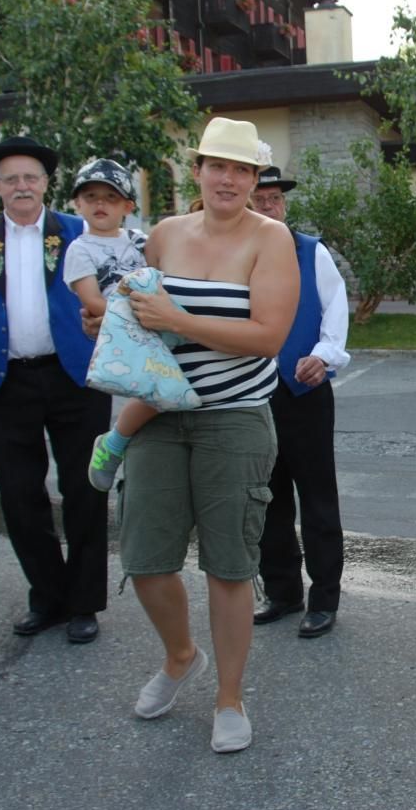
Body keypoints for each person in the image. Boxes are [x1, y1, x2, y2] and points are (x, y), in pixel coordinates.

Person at [118, 116, 296, 754]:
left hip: (235, 419)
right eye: (217, 165)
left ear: (255, 179)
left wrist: (178, 318)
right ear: (197, 171)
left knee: (228, 566)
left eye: (242, 169)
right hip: (162, 414)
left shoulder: (271, 239)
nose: (229, 178)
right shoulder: (164, 234)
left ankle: (229, 697)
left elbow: (268, 336)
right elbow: (143, 319)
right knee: (144, 558)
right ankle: (178, 655)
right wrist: (116, 324)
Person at [0, 136, 110, 644]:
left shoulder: (79, 232)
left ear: (46, 184)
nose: (22, 186)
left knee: (84, 491)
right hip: (3, 384)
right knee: (20, 498)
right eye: (10, 178)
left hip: (75, 378)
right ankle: (48, 596)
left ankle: (84, 602)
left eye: (31, 177)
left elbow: (116, 299)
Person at [250, 162, 350, 638]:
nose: (267, 205)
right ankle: (282, 591)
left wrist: (324, 355)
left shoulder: (311, 252)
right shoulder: (238, 253)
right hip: (251, 394)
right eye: (260, 197)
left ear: (283, 203)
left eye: (274, 199)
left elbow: (335, 309)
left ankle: (324, 599)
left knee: (317, 499)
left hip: (305, 391)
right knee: (266, 499)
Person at [65, 155, 158, 491]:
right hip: (124, 333)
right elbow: (91, 300)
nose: (100, 204)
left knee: (176, 384)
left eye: (111, 197)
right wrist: (139, 317)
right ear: (77, 203)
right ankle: (114, 443)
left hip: (153, 321)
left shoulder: (140, 242)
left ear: (128, 206)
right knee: (156, 388)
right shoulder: (80, 249)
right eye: (90, 197)